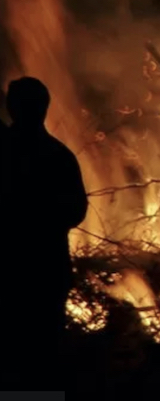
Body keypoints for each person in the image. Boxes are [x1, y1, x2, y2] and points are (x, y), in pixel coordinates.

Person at [0, 77, 88, 389]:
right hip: (47, 269)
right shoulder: (59, 156)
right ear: (44, 110)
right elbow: (76, 211)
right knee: (42, 357)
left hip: (12, 270)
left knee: (11, 356)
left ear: (12, 108)